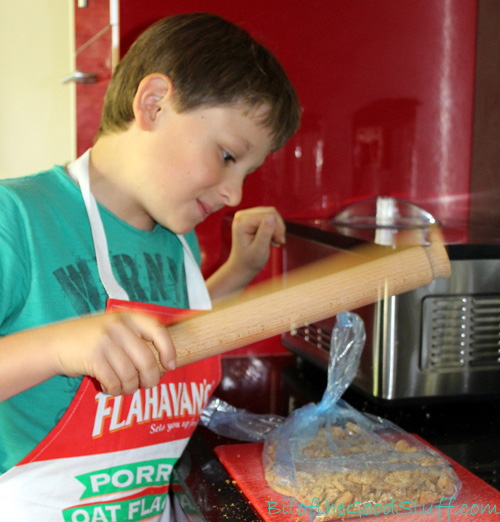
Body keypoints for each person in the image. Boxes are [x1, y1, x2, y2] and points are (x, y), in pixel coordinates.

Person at [0, 12, 300, 521]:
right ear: (154, 103)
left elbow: (170, 341)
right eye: (228, 156)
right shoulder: (19, 217)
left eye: (248, 172)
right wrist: (58, 346)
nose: (234, 193)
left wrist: (234, 275)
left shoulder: (176, 243)